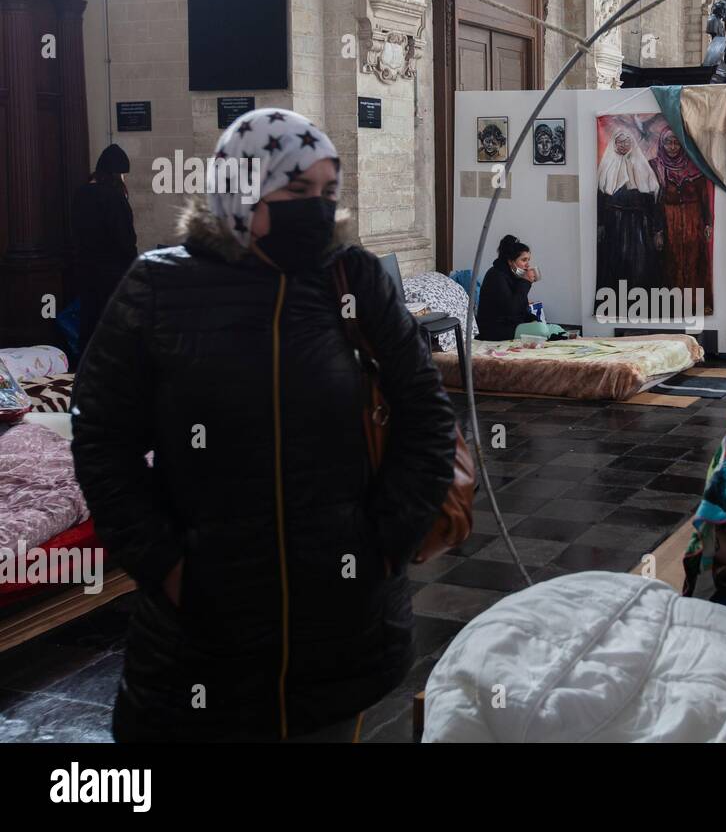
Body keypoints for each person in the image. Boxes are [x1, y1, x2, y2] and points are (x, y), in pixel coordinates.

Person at [70, 108, 460, 742]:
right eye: (299, 190)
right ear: (242, 187)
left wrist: (386, 543)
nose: (320, 208)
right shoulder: (158, 286)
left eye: (328, 192)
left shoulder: (351, 278)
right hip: (200, 632)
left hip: (337, 629)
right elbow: (100, 437)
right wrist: (164, 563)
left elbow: (425, 410)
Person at [72, 143, 138, 353]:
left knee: (89, 320)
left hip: (87, 268)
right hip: (112, 271)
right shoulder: (113, 197)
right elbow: (124, 238)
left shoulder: (81, 193)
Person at [650, 128, 713, 314]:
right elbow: (655, 202)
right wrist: (658, 230)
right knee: (671, 262)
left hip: (694, 221)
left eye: (676, 143)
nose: (672, 147)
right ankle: (674, 307)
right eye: (668, 142)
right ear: (662, 143)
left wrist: (708, 223)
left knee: (694, 261)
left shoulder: (694, 166)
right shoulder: (655, 166)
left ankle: (695, 305)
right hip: (669, 221)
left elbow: (704, 197)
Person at [595, 127, 661, 296]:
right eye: (619, 141)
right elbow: (601, 197)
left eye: (626, 141)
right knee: (614, 259)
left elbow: (651, 198)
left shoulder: (641, 164)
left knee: (638, 261)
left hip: (638, 223)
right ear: (614, 143)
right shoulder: (607, 165)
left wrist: (656, 229)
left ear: (632, 143)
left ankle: (637, 296)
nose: (623, 145)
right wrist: (600, 223)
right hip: (613, 222)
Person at [478, 234, 550, 341]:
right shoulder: (496, 276)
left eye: (528, 260)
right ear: (510, 261)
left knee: (555, 329)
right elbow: (511, 310)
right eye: (524, 260)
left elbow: (521, 310)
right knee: (541, 330)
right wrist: (525, 282)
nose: (527, 265)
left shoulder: (514, 276)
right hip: (495, 330)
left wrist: (533, 320)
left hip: (512, 326)